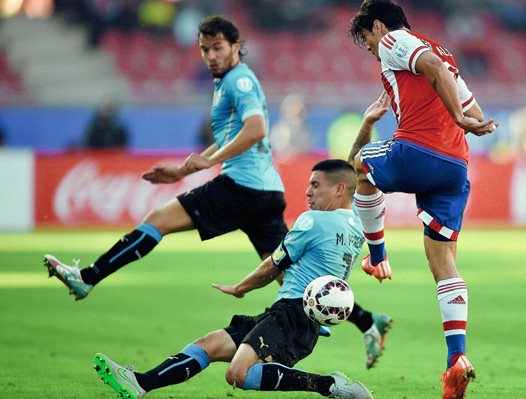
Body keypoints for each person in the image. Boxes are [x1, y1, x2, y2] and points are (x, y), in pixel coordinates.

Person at [44, 15, 390, 369]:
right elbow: (232, 138)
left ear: (237, 47)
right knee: (287, 271)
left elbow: (255, 130)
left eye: (218, 48)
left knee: (158, 220)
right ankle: (364, 321)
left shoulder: (238, 81)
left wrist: (209, 163)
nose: (211, 55)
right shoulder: (228, 82)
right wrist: (183, 169)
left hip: (242, 186)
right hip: (264, 192)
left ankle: (89, 277)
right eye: (204, 49)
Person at [92, 160, 373, 399]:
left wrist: (241, 287)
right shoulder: (357, 224)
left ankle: (330, 385)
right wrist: (368, 124)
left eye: (315, 185)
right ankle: (141, 384)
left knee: (238, 374)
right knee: (210, 344)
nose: (307, 191)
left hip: (293, 313)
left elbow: (273, 265)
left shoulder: (314, 221)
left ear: (338, 189)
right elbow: (352, 168)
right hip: (298, 315)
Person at [347, 1, 497, 398]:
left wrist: (461, 120)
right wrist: (469, 122)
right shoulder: (444, 51)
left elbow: (431, 69)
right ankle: (456, 361)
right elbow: (472, 107)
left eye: (366, 42)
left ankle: (377, 257)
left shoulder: (396, 40)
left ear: (378, 26)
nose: (370, 51)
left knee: (357, 168)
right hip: (454, 167)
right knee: (443, 261)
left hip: (418, 150)